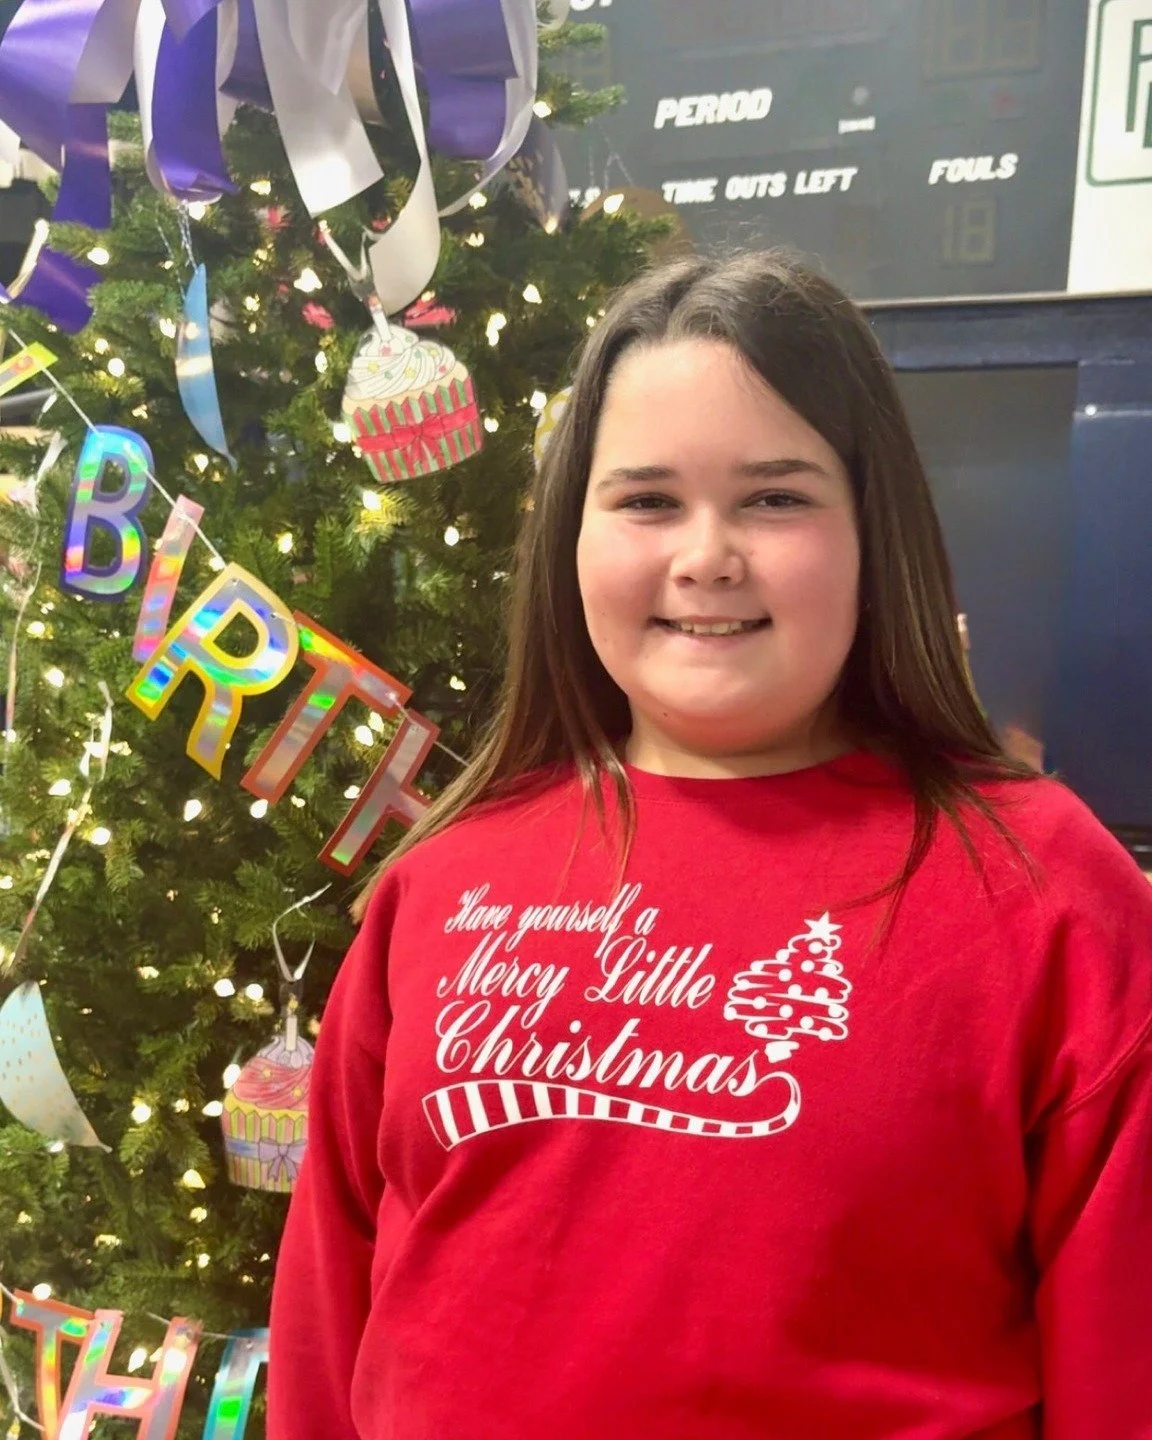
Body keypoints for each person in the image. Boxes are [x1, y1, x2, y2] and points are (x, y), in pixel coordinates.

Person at [268, 252, 1152, 1439]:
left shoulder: (1048, 889)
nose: (705, 558)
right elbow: (329, 1319)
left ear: (874, 531)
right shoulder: (438, 883)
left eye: (775, 498)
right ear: (572, 537)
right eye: (646, 501)